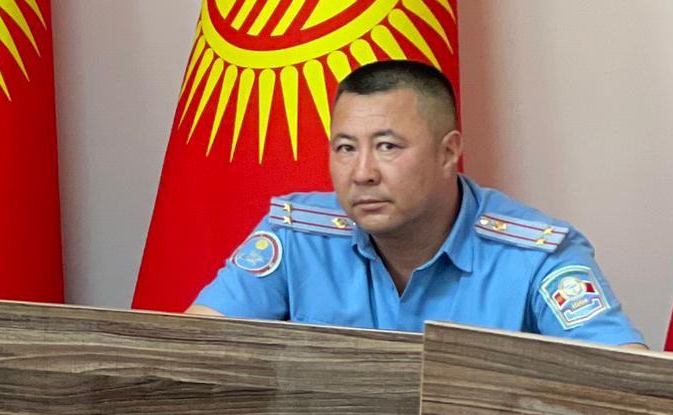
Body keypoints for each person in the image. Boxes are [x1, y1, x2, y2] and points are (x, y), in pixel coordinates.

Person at [190, 58, 644, 343]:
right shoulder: (297, 238)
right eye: (345, 148)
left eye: (387, 147)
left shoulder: (535, 257)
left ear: (448, 152)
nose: (362, 173)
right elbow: (188, 353)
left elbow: (627, 389)